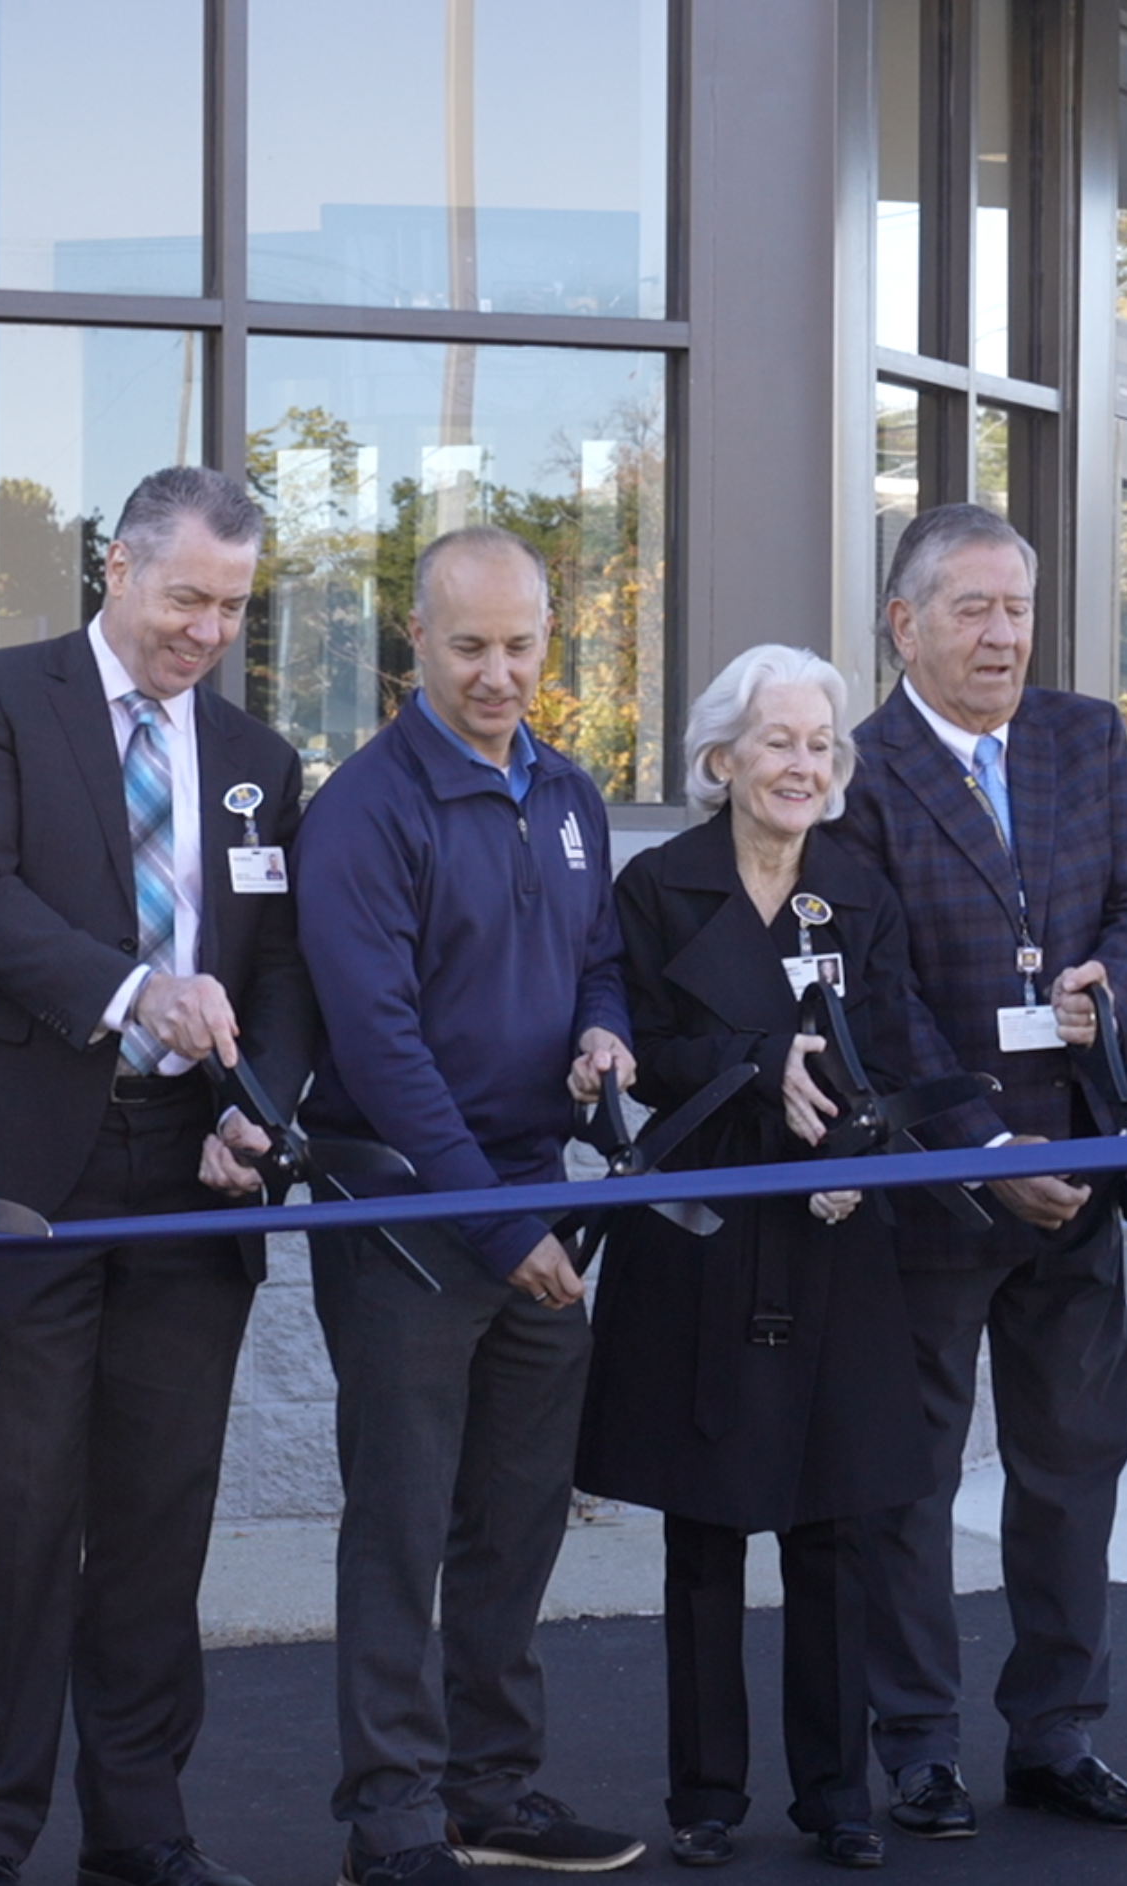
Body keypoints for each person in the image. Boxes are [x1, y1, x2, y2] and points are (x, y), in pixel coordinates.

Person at [0, 467, 316, 1886]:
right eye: (187, 596)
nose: (207, 630)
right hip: (25, 1167)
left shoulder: (258, 756)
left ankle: (140, 1829)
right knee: (15, 1515)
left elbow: (283, 962)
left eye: (233, 607)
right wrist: (137, 991)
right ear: (118, 568)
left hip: (193, 1174)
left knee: (157, 1516)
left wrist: (258, 1110)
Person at [295, 526, 644, 1886]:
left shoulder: (568, 790)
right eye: (468, 647)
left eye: (519, 644)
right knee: (400, 1522)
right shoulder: (364, 809)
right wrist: (506, 1231)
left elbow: (600, 956)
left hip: (531, 1195)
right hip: (406, 1216)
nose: (497, 673)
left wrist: (605, 1031)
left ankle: (490, 1790)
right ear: (416, 644)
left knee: (517, 1515)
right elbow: (380, 1048)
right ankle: (389, 1817)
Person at [831, 501, 1127, 1840]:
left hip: (1079, 1161)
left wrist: (1112, 982)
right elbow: (877, 992)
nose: (1000, 634)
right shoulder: (858, 770)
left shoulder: (1085, 736)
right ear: (903, 623)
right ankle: (920, 1745)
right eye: (970, 608)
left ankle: (1058, 1732)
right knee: (912, 1478)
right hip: (939, 1178)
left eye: (1016, 608)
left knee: (1074, 1461)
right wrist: (983, 1148)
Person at [579, 644, 930, 1871]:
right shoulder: (656, 886)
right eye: (778, 741)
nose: (802, 764)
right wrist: (758, 1062)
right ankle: (706, 1794)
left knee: (836, 1522)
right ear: (721, 757)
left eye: (820, 744)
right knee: (706, 1524)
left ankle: (838, 1795)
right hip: (708, 1229)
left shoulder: (861, 892)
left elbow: (893, 1053)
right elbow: (643, 1049)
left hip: (833, 1231)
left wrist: (860, 1153)